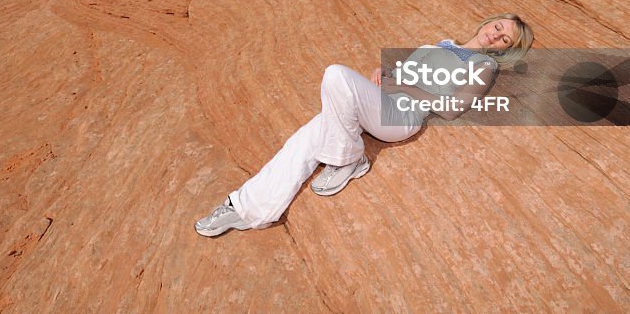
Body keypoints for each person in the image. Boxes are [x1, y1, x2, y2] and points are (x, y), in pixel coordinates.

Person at [194, 13, 534, 237]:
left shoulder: (483, 65)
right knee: (303, 140)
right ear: (487, 22)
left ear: (506, 51)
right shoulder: (441, 44)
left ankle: (349, 159)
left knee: (335, 74)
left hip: (403, 117)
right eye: (498, 27)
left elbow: (452, 108)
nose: (495, 35)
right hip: (381, 102)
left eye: (504, 39)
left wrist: (400, 87)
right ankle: (244, 207)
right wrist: (385, 76)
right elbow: (403, 74)